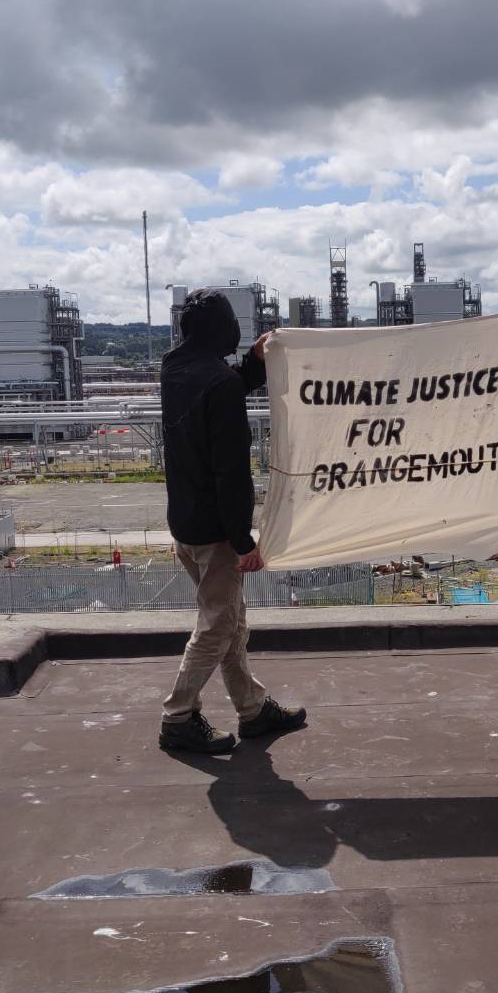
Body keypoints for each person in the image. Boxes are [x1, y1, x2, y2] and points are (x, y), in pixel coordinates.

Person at [159, 289, 307, 755]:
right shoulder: (217, 383)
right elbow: (231, 473)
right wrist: (244, 541)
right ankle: (178, 717)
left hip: (184, 522)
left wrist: (253, 363)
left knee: (231, 624)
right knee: (218, 628)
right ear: (224, 329)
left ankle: (253, 709)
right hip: (215, 531)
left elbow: (219, 388)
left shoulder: (174, 368)